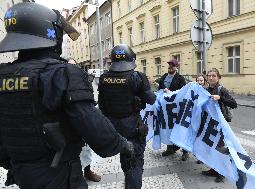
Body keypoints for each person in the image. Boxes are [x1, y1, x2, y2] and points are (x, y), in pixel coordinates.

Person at [0, 3, 134, 189]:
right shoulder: (62, 74)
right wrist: (122, 144)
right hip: (60, 173)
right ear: (51, 34)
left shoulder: (3, 75)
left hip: (21, 172)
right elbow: (93, 125)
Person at [98, 44, 156, 189]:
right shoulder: (137, 77)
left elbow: (102, 106)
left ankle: (129, 182)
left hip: (114, 129)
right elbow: (151, 100)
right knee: (135, 163)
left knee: (125, 157)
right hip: (133, 128)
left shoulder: (104, 78)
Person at [67, 58, 101, 182]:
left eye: (73, 65)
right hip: (68, 120)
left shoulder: (83, 79)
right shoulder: (61, 80)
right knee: (71, 150)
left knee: (86, 148)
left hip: (82, 117)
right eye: (69, 65)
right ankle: (73, 175)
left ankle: (87, 171)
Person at [201, 68, 237, 183]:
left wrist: (220, 98)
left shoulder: (221, 90)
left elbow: (234, 103)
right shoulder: (205, 90)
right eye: (209, 76)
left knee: (220, 149)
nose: (211, 78)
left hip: (220, 125)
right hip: (210, 124)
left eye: (213, 76)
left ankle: (222, 172)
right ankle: (213, 169)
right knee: (211, 148)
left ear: (218, 77)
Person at [156, 59, 189, 161]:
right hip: (166, 109)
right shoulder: (164, 76)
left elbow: (183, 92)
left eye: (172, 65)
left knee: (180, 128)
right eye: (169, 65)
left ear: (176, 67)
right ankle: (170, 149)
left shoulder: (180, 78)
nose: (170, 67)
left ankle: (185, 152)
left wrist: (171, 92)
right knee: (167, 128)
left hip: (177, 108)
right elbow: (159, 88)